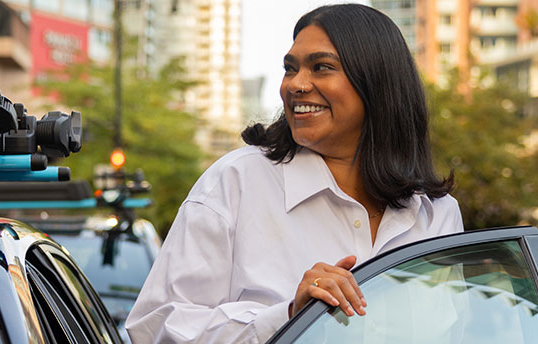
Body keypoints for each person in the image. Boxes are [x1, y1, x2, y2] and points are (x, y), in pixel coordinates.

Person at [125, 4, 463, 343]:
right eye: (290, 68)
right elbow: (154, 328)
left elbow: (459, 333)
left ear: (377, 83)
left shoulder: (436, 214)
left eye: (321, 67)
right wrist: (287, 318)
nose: (296, 84)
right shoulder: (236, 183)